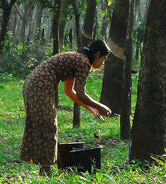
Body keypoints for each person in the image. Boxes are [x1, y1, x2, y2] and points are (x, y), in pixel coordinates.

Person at [20, 39, 113, 176]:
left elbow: (70, 91)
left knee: (40, 124)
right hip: (40, 86)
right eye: (104, 59)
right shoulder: (83, 63)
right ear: (97, 54)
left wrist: (91, 108)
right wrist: (101, 106)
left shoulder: (77, 59)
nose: (103, 63)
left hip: (32, 84)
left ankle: (43, 168)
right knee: (49, 126)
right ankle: (45, 170)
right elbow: (81, 94)